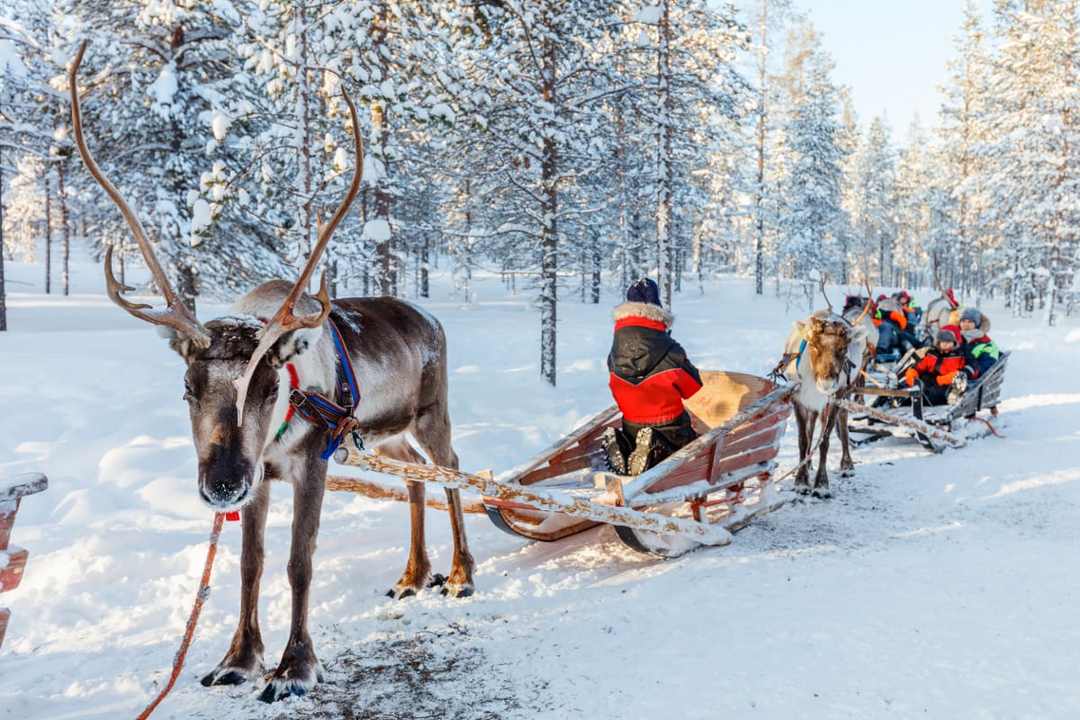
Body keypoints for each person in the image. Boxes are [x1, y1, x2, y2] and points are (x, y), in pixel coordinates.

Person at [603, 278, 703, 476]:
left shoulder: (614, 354)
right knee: (689, 444)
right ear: (657, 310)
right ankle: (653, 448)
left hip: (631, 424)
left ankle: (626, 446)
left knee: (636, 430)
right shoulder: (671, 351)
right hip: (670, 427)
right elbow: (692, 388)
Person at [902, 328, 970, 405]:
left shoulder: (958, 355)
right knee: (909, 383)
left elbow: (960, 374)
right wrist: (913, 377)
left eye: (949, 342)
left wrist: (940, 380)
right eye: (943, 341)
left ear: (953, 343)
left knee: (934, 394)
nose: (946, 344)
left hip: (946, 384)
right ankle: (902, 398)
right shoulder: (932, 353)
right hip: (928, 381)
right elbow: (919, 367)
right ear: (938, 343)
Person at [958, 307, 1000, 378]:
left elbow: (986, 365)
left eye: (970, 322)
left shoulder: (986, 344)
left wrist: (969, 371)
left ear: (977, 324)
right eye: (963, 321)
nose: (966, 324)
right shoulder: (954, 336)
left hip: (969, 378)